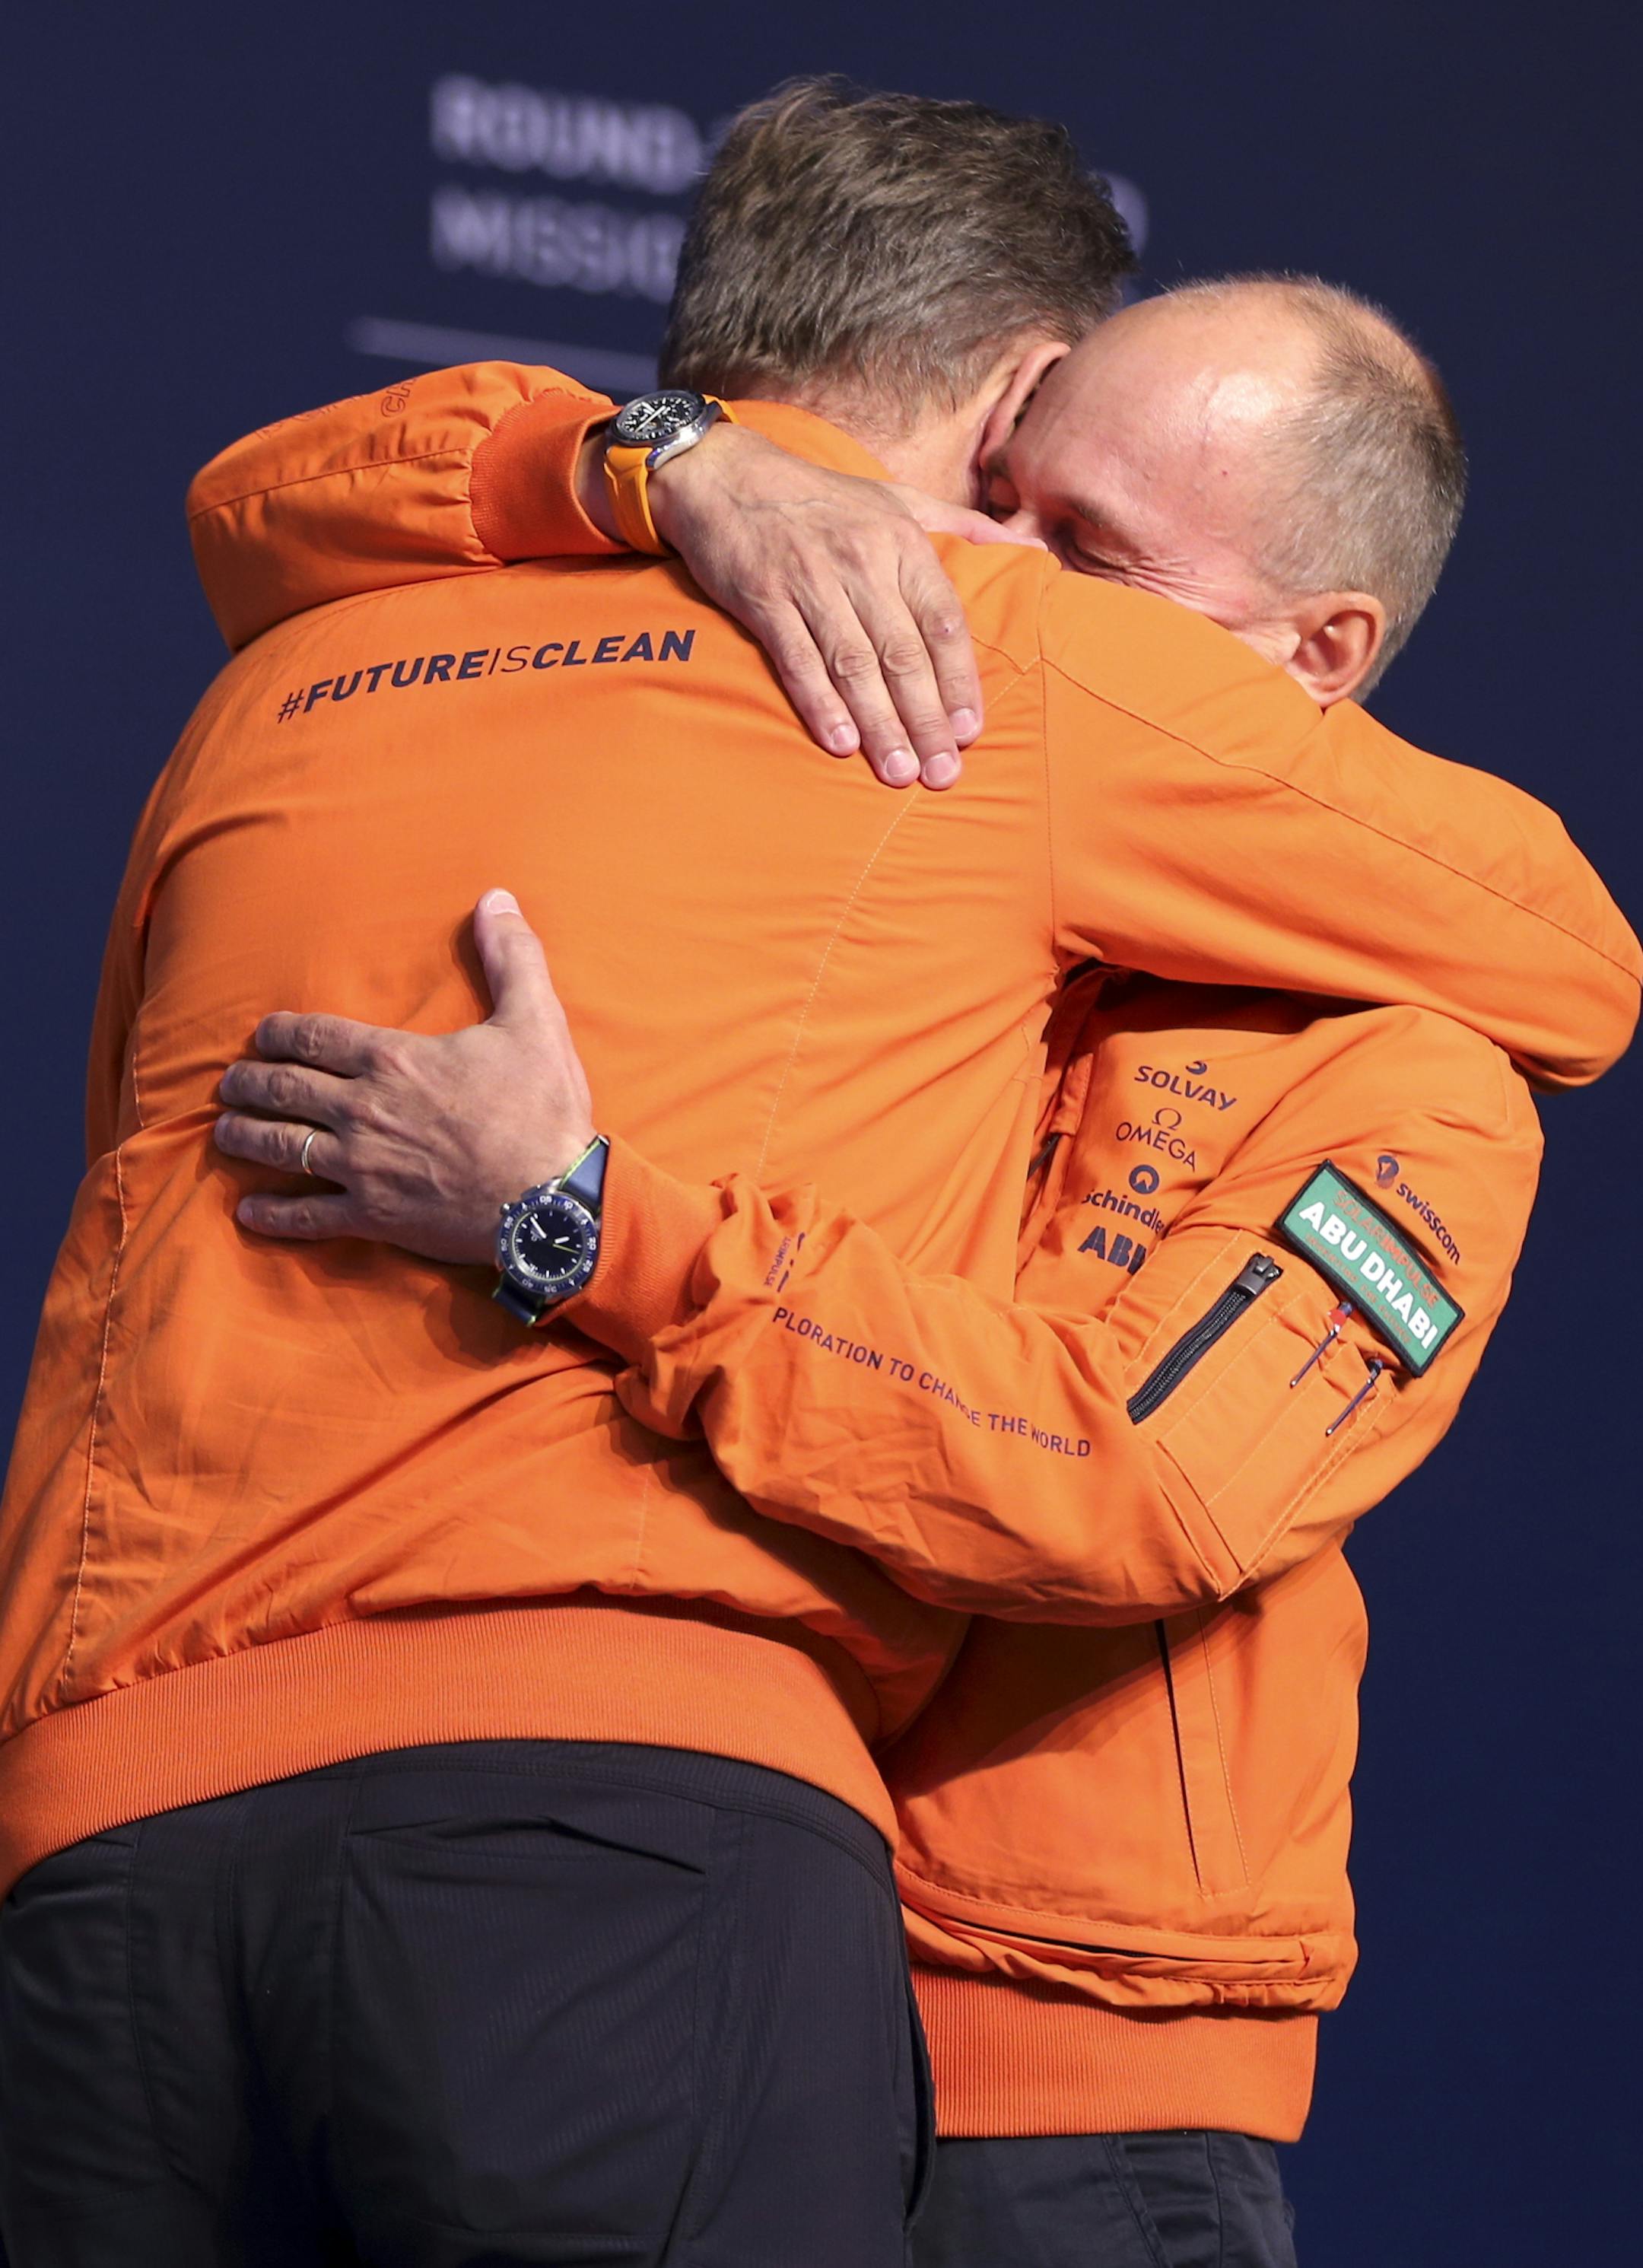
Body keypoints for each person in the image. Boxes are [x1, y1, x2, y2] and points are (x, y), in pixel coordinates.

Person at [0, 81, 1635, 2266]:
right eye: (1009, 512)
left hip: (1012, 2050)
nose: (990, 576)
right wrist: (675, 466)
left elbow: (1138, 1475)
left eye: (1096, 556)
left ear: (1318, 667)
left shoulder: (282, 676)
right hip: (652, 1862)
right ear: (993, 406)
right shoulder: (968, 682)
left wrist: (588, 1221)